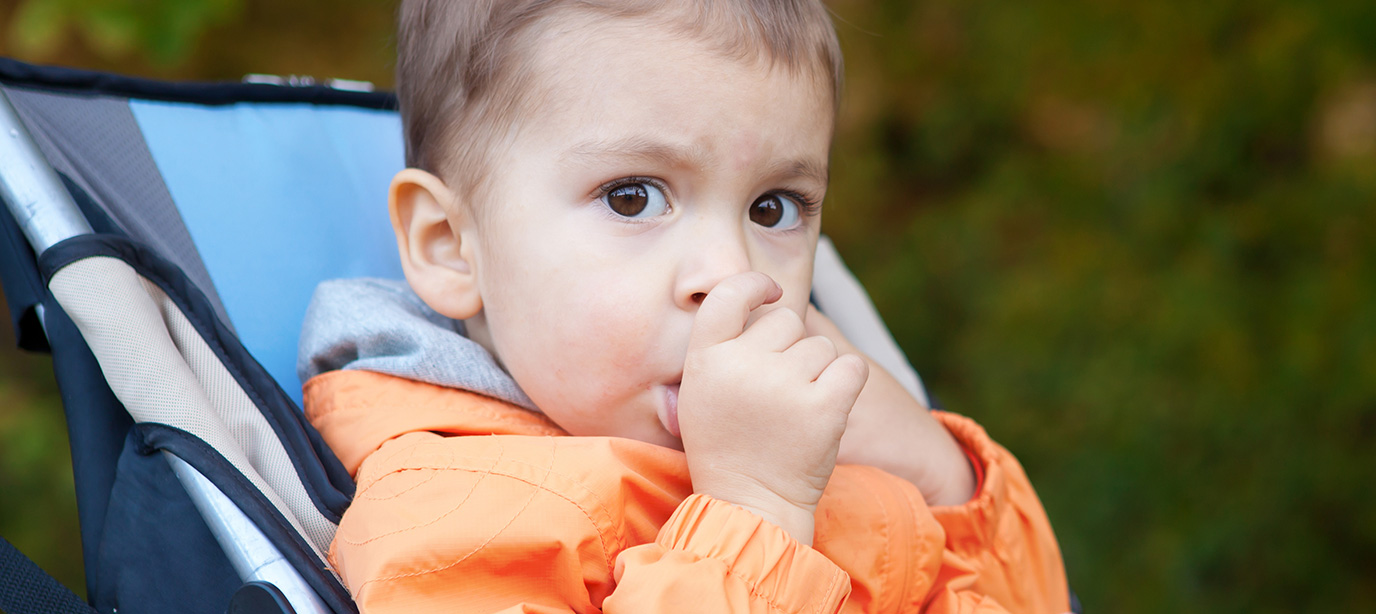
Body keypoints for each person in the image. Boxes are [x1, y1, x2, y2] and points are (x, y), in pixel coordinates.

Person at [293, 0, 1071, 612]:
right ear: (450, 247)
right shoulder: (448, 518)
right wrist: (754, 512)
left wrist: (942, 479)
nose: (732, 275)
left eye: (773, 208)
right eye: (633, 197)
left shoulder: (819, 449)